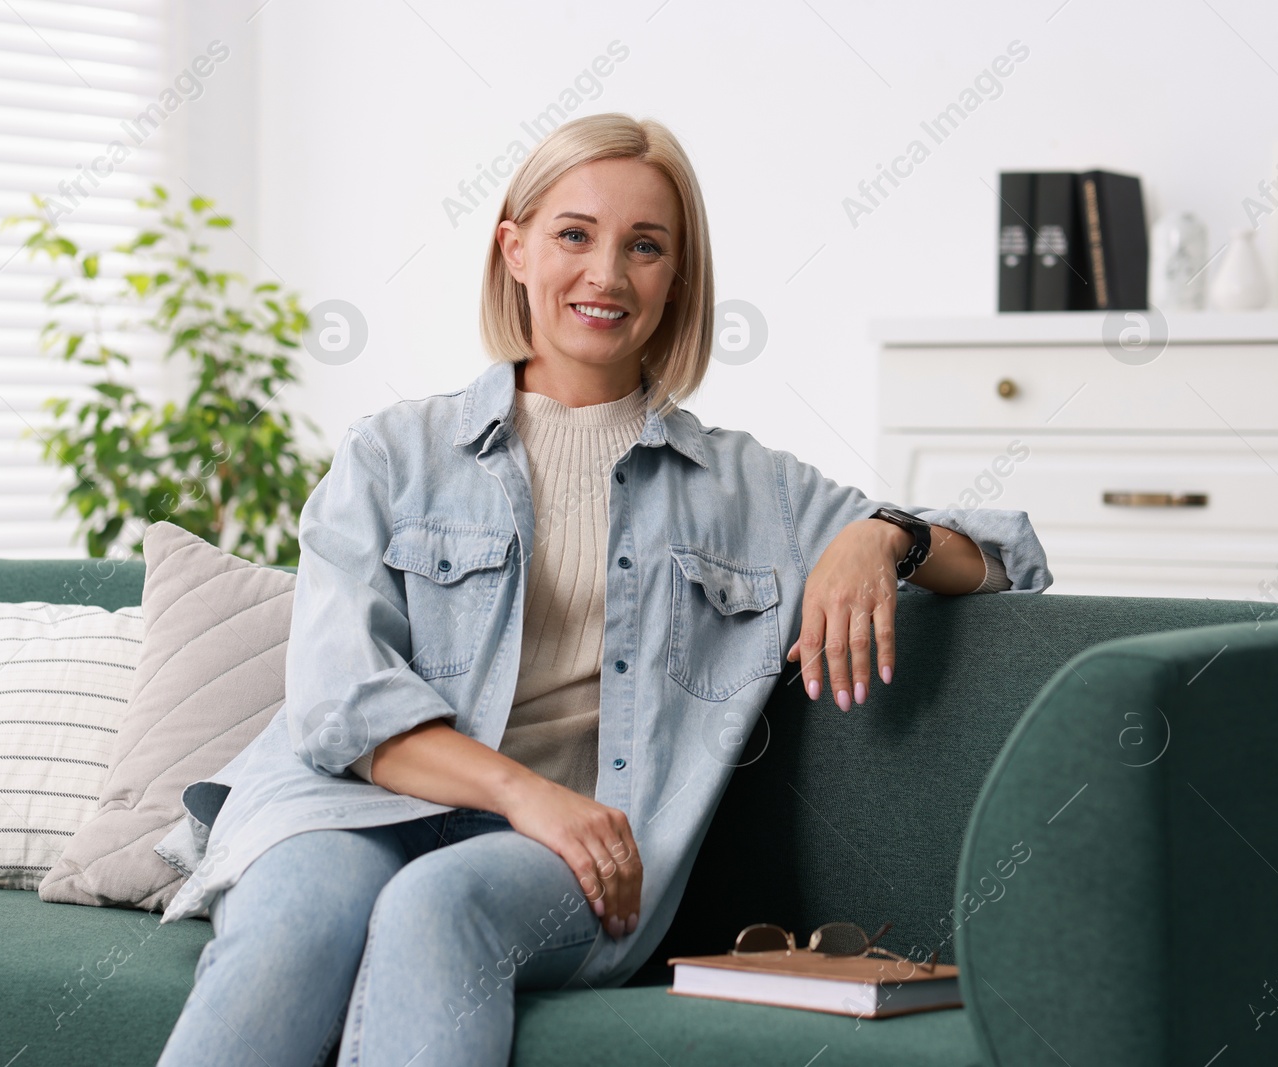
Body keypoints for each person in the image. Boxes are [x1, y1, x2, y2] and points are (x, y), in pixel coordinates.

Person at [153, 112, 1051, 1067]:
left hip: (568, 856)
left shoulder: (751, 493)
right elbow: (338, 700)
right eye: (574, 234)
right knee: (297, 918)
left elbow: (1012, 558)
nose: (607, 274)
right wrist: (526, 793)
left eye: (645, 246)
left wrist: (887, 536)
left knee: (436, 901)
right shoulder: (394, 454)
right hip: (347, 803)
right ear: (516, 250)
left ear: (678, 280)